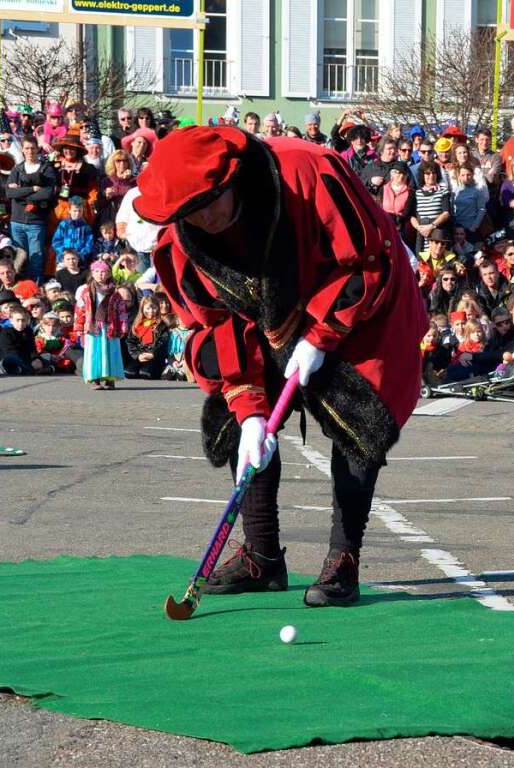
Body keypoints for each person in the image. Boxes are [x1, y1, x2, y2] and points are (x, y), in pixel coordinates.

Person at [135, 125, 426, 607]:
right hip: (268, 320)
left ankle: (343, 559)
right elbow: (217, 329)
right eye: (190, 212)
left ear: (231, 180)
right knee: (235, 421)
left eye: (210, 202)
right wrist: (250, 410)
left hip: (360, 308)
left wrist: (320, 336)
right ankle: (261, 555)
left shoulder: (307, 172)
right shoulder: (182, 245)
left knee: (357, 417)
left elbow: (367, 262)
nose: (204, 219)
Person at [7, 136, 56, 281]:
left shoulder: (46, 169)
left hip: (36, 221)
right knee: (18, 259)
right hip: (16, 220)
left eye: (32, 148)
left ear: (37, 149)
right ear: (22, 149)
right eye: (27, 148)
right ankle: (19, 286)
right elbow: (10, 193)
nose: (30, 151)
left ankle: (36, 287)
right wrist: (33, 189)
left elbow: (48, 193)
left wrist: (21, 193)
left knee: (36, 258)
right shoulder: (17, 169)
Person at [74, 260, 127, 390]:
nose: (100, 275)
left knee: (111, 352)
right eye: (97, 272)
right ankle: (95, 379)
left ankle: (110, 378)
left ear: (109, 274)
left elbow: (121, 310)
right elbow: (80, 310)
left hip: (110, 326)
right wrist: (79, 327)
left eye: (103, 272)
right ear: (92, 273)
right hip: (93, 326)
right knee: (94, 353)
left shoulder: (114, 292)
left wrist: (123, 324)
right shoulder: (86, 291)